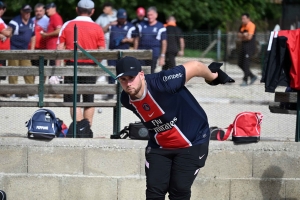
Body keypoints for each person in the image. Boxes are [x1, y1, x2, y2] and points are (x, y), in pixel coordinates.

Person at [116, 56, 218, 200]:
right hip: (160, 145)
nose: (128, 83)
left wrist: (212, 77)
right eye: (123, 79)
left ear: (141, 75)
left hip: (192, 140)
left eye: (131, 77)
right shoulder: (126, 99)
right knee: (154, 191)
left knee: (179, 190)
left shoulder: (164, 82)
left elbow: (195, 66)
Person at [57, 0, 105, 127]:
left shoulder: (67, 25)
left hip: (71, 67)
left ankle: (78, 129)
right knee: (89, 100)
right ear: (93, 11)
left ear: (77, 9)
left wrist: (57, 72)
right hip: (90, 68)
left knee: (74, 100)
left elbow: (59, 50)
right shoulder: (98, 28)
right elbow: (101, 53)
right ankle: (87, 129)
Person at [107, 8, 136, 100]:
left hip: (124, 53)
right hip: (112, 53)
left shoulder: (131, 26)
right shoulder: (113, 26)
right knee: (111, 73)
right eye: (120, 18)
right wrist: (109, 24)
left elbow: (135, 39)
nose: (122, 20)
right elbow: (102, 30)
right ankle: (111, 92)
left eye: (123, 18)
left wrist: (126, 40)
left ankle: (124, 93)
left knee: (124, 74)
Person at [8, 4, 36, 99]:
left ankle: (31, 92)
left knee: (29, 70)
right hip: (14, 49)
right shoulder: (14, 22)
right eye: (25, 11)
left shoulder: (32, 22)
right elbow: (8, 34)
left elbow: (33, 36)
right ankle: (13, 92)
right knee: (13, 71)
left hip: (25, 50)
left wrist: (32, 50)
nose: (27, 13)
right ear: (21, 11)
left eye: (29, 12)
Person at [94, 2, 117, 99]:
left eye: (105, 8)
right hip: (104, 42)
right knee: (102, 61)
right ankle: (102, 79)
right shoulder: (102, 17)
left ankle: (114, 84)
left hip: (115, 43)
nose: (104, 10)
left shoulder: (117, 15)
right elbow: (96, 28)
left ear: (110, 8)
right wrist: (108, 25)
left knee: (114, 63)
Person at [134, 6, 166, 73]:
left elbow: (164, 42)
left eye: (151, 15)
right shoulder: (141, 25)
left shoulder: (161, 27)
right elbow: (136, 40)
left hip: (153, 54)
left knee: (151, 72)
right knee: (140, 72)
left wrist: (162, 56)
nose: (149, 17)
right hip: (141, 53)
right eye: (148, 15)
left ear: (156, 15)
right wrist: (135, 52)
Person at [237, 13, 257, 86]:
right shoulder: (242, 26)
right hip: (243, 46)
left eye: (244, 19)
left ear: (248, 19)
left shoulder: (251, 25)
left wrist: (245, 36)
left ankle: (245, 80)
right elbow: (238, 35)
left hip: (250, 47)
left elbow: (249, 37)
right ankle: (252, 76)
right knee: (240, 63)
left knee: (246, 64)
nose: (242, 20)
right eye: (242, 19)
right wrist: (244, 35)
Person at [0, 1, 12, 83]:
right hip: (0, 51)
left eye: (1, 9)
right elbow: (8, 32)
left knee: (1, 75)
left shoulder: (1, 20)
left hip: (3, 52)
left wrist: (8, 30)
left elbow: (9, 32)